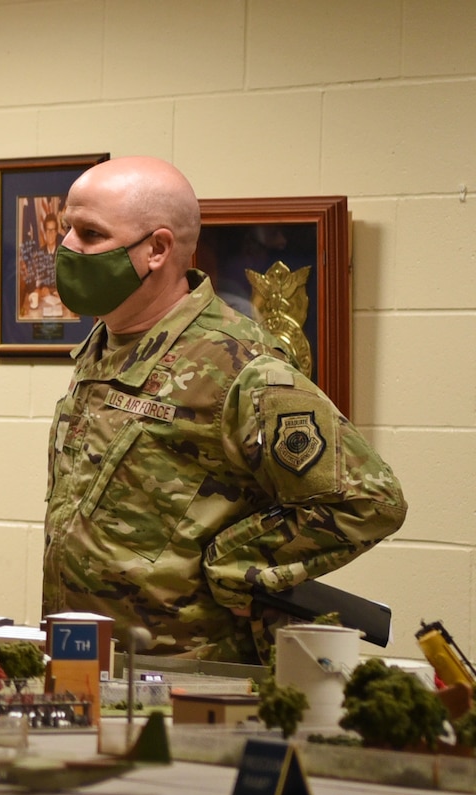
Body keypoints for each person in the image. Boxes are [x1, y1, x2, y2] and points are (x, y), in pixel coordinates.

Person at [42, 156, 405, 662]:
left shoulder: (239, 365)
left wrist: (239, 563)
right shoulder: (105, 346)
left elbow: (369, 500)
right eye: (67, 230)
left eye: (89, 233)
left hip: (190, 673)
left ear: (157, 249)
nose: (67, 247)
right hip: (87, 659)